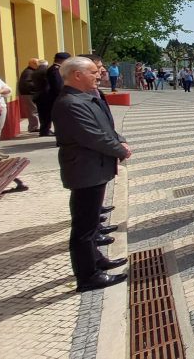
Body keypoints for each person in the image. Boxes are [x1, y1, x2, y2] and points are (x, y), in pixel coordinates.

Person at [52, 56, 131, 292]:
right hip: (85, 168)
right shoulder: (70, 103)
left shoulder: (84, 98)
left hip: (93, 167)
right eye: (93, 72)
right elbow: (92, 135)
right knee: (84, 228)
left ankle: (96, 260)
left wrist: (120, 141)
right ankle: (88, 276)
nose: (98, 75)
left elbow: (104, 127)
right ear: (77, 75)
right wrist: (120, 150)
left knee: (90, 222)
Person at [37, 52, 70, 137]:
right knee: (56, 117)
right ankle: (56, 133)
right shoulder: (55, 70)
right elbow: (58, 86)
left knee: (50, 116)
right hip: (52, 98)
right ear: (63, 60)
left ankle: (47, 131)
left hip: (51, 98)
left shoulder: (54, 69)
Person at [18, 58, 41, 132]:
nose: (39, 65)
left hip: (30, 93)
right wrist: (38, 86)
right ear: (32, 64)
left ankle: (34, 126)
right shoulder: (28, 72)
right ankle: (33, 127)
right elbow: (28, 83)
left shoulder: (31, 71)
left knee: (33, 110)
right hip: (29, 94)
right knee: (33, 110)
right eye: (37, 63)